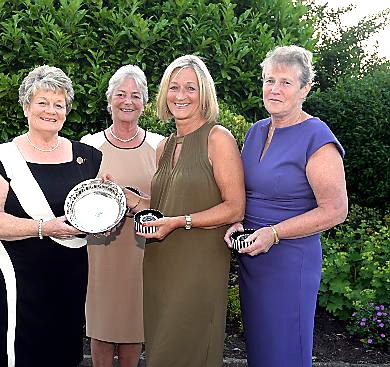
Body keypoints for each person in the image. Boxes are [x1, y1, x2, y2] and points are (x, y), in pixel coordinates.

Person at [114, 55, 245, 366]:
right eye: (174, 87)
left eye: (191, 88)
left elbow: (235, 207)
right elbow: (161, 208)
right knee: (160, 350)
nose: (181, 95)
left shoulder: (218, 138)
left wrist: (179, 222)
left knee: (188, 347)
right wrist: (123, 196)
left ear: (204, 94)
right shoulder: (165, 146)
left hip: (198, 265)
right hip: (160, 264)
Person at [223, 45, 348, 367]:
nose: (274, 89)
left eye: (286, 82)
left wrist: (275, 233)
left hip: (290, 261)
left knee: (286, 349)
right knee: (261, 347)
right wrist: (236, 220)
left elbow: (335, 209)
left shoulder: (316, 137)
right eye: (269, 80)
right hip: (254, 255)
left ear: (305, 89)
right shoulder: (256, 130)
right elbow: (245, 191)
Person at [0, 65, 102, 367]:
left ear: (67, 111)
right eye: (42, 102)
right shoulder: (2, 158)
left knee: (62, 347)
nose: (51, 110)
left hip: (68, 274)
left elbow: (92, 213)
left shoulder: (87, 157)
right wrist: (45, 227)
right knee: (16, 349)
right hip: (15, 274)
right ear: (26, 107)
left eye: (58, 104)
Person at [81, 65, 163, 367]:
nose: (128, 101)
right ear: (109, 100)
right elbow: (77, 200)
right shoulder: (89, 147)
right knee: (101, 325)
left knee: (134, 324)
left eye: (136, 95)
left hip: (143, 250)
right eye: (121, 94)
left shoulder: (160, 146)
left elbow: (169, 203)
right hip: (100, 249)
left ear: (144, 103)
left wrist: (135, 201)